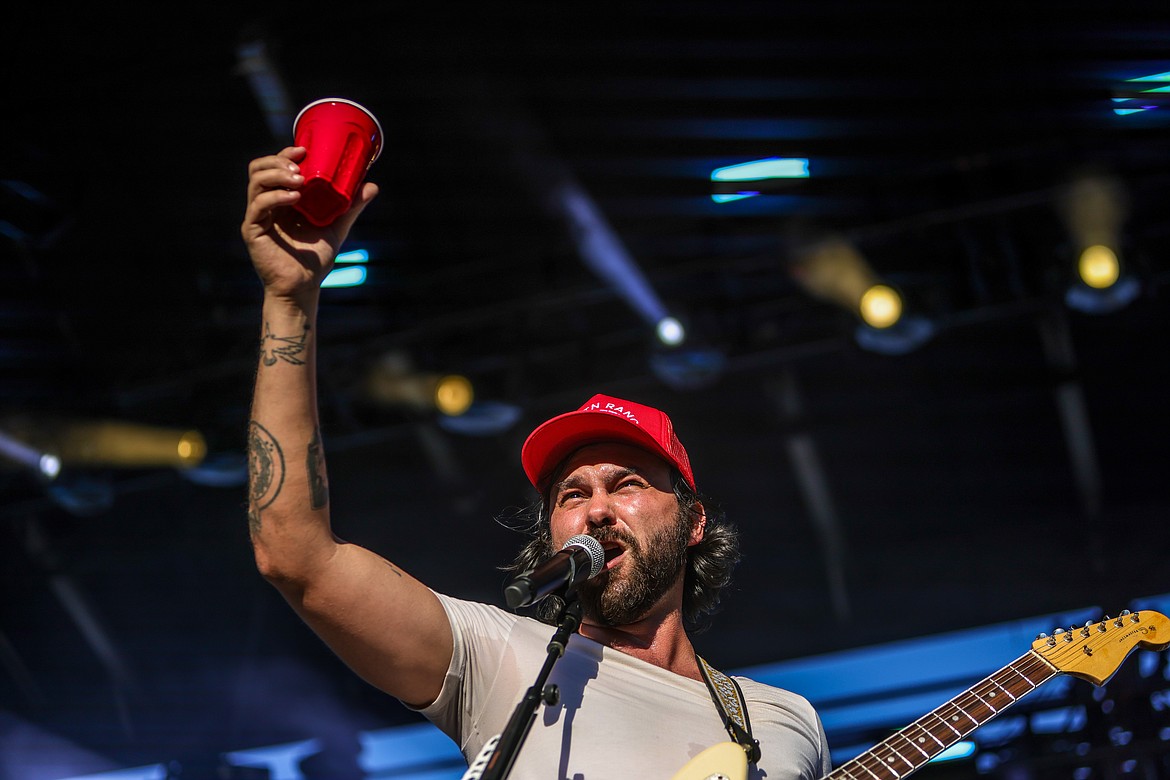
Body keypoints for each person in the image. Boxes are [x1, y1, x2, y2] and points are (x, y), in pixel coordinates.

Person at [241, 146, 831, 779]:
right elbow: (297, 557)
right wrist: (289, 300)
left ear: (693, 522)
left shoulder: (782, 721)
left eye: (626, 483)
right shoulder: (498, 658)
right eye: (570, 496)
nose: (596, 508)